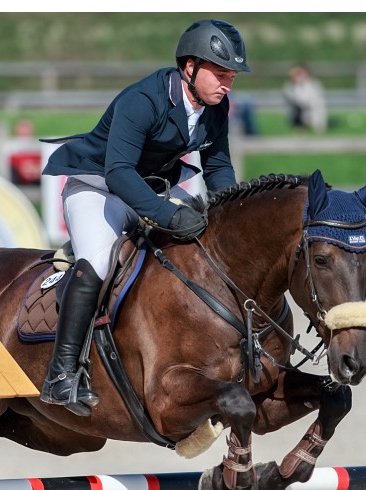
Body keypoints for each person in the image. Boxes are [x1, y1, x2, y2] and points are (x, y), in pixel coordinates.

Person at [39, 19, 251, 417]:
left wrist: (232, 218)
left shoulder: (215, 107)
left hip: (152, 187)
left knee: (210, 240)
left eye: (232, 77)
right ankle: (62, 374)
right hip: (98, 187)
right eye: (220, 74)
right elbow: (119, 172)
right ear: (190, 67)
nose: (227, 85)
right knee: (98, 261)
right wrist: (168, 215)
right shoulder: (143, 100)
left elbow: (218, 167)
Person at [282, 64, 327, 133]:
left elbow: (317, 98)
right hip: (299, 108)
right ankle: (300, 128)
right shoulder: (290, 86)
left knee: (317, 116)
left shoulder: (313, 84)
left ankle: (317, 128)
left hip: (312, 106)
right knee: (296, 112)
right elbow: (290, 98)